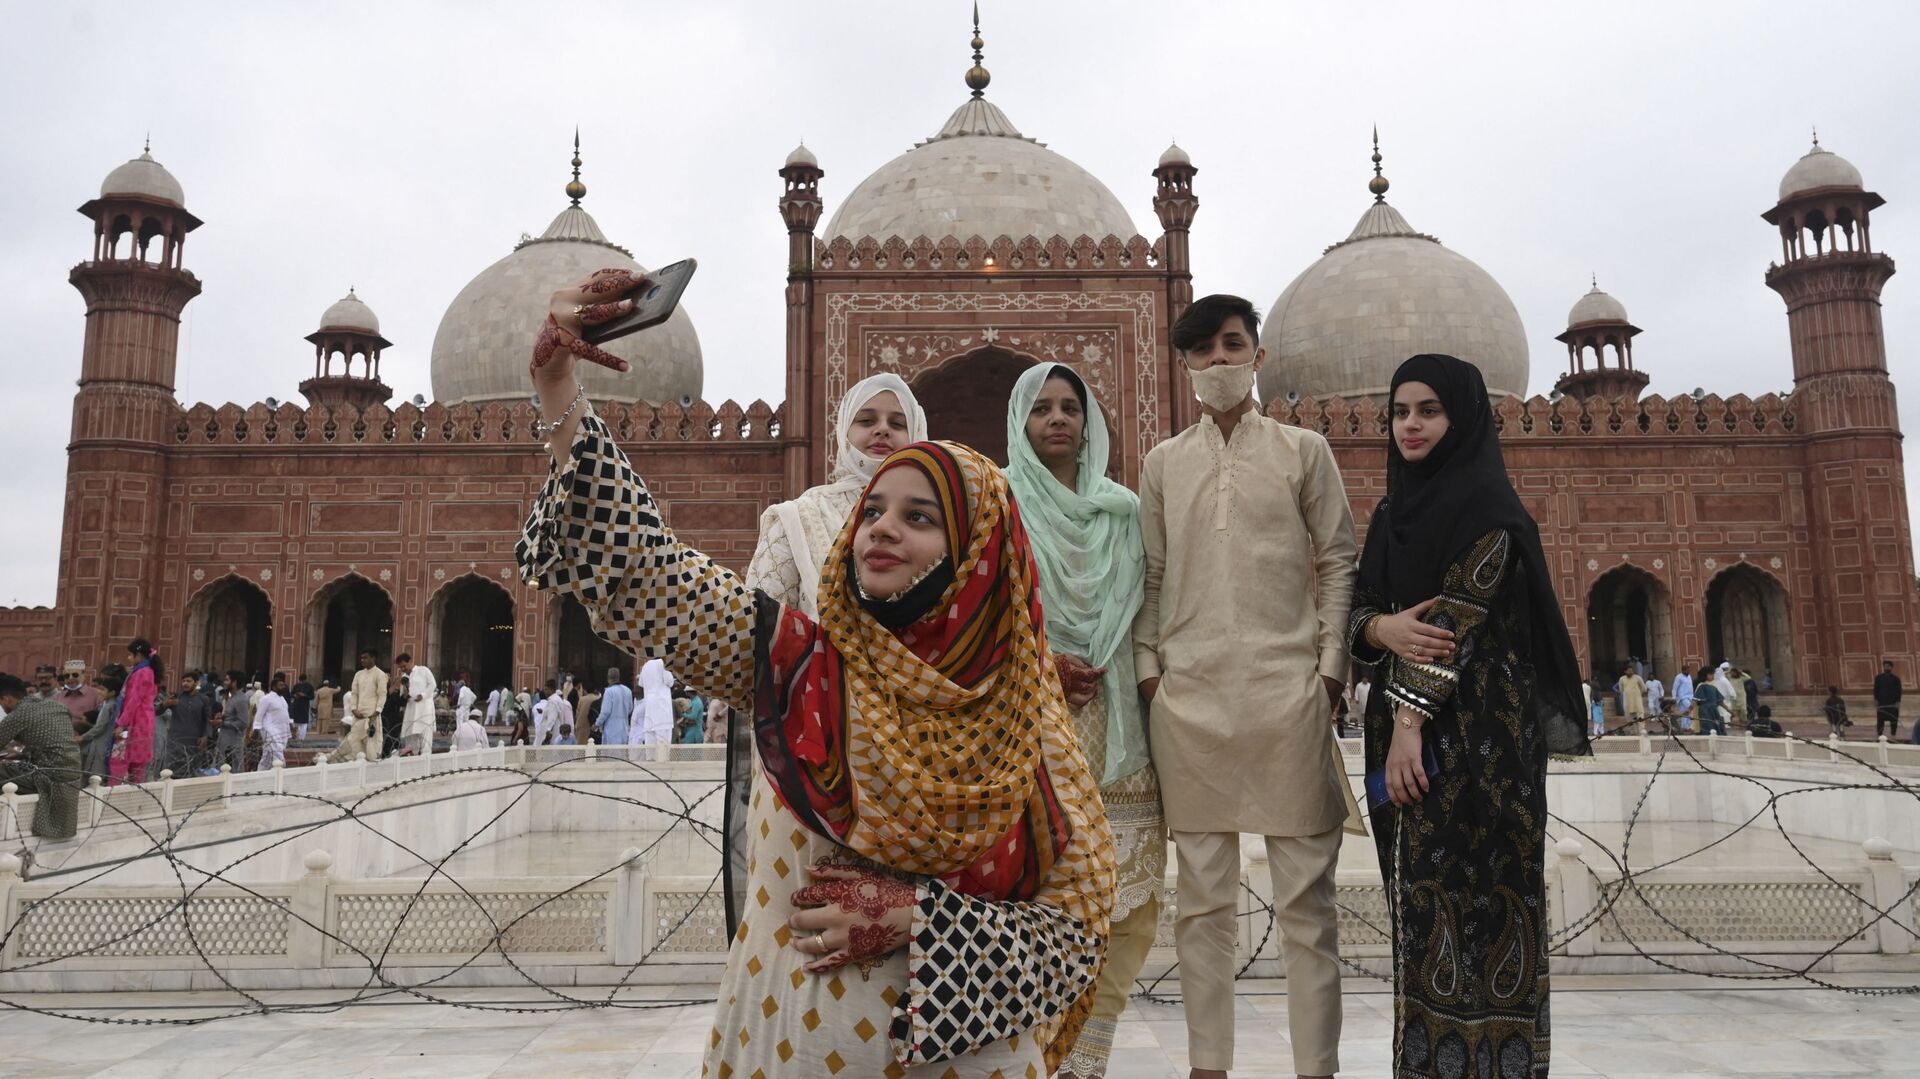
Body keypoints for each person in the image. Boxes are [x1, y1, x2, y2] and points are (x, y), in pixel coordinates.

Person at [519, 269, 1113, 1077]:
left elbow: (1075, 934)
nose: (881, 529)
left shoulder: (1020, 716)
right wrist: (558, 385)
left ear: (978, 554)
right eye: (872, 510)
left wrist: (921, 918)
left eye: (919, 515)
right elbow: (649, 575)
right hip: (793, 1039)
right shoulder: (801, 667)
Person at [1347, 354, 1591, 1079]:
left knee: (1494, 916)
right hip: (1401, 748)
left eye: (1429, 410)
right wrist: (1378, 629)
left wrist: (1411, 724)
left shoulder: (1491, 510)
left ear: (1464, 417)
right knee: (1421, 919)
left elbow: (1457, 619)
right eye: (1400, 412)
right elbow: (1359, 611)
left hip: (1481, 752)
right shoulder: (1393, 516)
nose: (1412, 425)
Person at [1131, 295, 1355, 1079]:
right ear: (1186, 365)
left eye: (1233, 346)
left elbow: (1336, 560)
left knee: (1307, 906)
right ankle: (1208, 1067)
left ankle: (1315, 1068)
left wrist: (1329, 670)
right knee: (1201, 906)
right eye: (1203, 351)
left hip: (1286, 692)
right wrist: (1150, 672)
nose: (1219, 362)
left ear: (1258, 356)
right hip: (1189, 702)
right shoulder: (1163, 463)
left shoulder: (1303, 451)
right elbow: (1151, 576)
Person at [1006, 360, 1166, 1079]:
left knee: (1127, 902)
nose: (1058, 419)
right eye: (1041, 409)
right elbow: (987, 617)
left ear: (1091, 421)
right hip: (1032, 724)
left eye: (1071, 406)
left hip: (1119, 720)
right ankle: (1036, 1045)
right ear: (1020, 422)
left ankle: (1090, 1051)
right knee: (1041, 891)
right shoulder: (999, 505)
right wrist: (1045, 664)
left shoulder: (1124, 510)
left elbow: (1147, 612)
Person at [746, 371, 928, 619]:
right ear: (844, 433)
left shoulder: (936, 515)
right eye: (866, 421)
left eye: (897, 424)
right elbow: (765, 628)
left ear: (916, 433)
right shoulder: (798, 518)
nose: (882, 429)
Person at [0, 672, 85, 839]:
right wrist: (19, 752)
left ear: (7, 699)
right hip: (74, 774)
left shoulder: (18, 715)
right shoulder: (57, 707)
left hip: (48, 776)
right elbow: (52, 742)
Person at [111, 638, 162, 785]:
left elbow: (134, 700)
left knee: (120, 763)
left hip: (135, 723)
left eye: (130, 655)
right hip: (143, 722)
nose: (128, 658)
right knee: (137, 766)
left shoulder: (143, 673)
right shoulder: (147, 671)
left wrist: (121, 723)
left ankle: (114, 797)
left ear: (138, 655)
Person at [332, 650, 389, 763]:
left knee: (371, 743)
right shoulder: (358, 674)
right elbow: (354, 694)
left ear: (373, 658)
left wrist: (377, 711)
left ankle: (371, 767)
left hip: (372, 715)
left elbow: (382, 694)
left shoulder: (380, 674)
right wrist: (354, 709)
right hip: (358, 714)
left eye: (365, 658)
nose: (362, 660)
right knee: (354, 741)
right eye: (361, 658)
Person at [77, 666, 125, 783]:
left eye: (103, 689)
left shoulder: (109, 706)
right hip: (102, 743)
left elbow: (99, 727)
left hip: (102, 743)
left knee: (97, 775)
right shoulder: (107, 704)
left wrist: (83, 737)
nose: (99, 691)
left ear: (112, 692)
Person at [167, 671, 216, 776]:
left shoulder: (204, 699)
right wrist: (165, 704)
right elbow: (156, 711)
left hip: (194, 743)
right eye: (183, 681)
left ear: (196, 682)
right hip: (176, 742)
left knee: (191, 772)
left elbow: (207, 720)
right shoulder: (176, 698)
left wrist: (205, 736)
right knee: (173, 773)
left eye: (188, 681)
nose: (185, 684)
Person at [251, 675, 292, 771]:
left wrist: (291, 725)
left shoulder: (282, 699)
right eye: (280, 685)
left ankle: (260, 773)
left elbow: (285, 714)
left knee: (267, 756)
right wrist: (256, 729)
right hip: (270, 730)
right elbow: (259, 715)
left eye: (283, 685)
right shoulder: (266, 698)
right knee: (278, 754)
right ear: (274, 687)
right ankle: (281, 773)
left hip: (282, 731)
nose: (283, 687)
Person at [211, 671, 249, 772]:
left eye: (227, 680)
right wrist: (222, 718)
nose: (225, 682)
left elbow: (244, 723)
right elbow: (232, 717)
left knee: (233, 772)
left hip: (233, 744)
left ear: (234, 682)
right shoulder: (232, 697)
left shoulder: (241, 699)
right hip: (224, 741)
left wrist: (223, 723)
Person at [636, 656, 674, 750]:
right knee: (663, 746)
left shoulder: (645, 665)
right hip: (662, 709)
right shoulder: (663, 663)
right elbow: (670, 681)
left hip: (649, 708)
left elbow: (641, 683)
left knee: (650, 745)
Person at [54, 661, 101, 730]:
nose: (70, 678)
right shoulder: (58, 697)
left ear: (83, 675)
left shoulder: (96, 694)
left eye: (75, 675)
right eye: (67, 676)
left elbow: (101, 721)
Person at [596, 665, 633, 746]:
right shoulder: (628, 691)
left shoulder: (609, 691)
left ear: (608, 679)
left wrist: (597, 723)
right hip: (624, 727)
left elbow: (605, 712)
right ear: (618, 677)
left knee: (611, 755)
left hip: (611, 728)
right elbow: (630, 709)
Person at [537, 680, 573, 747]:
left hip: (552, 733)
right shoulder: (558, 699)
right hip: (557, 730)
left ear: (552, 690)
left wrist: (548, 731)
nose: (544, 691)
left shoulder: (552, 701)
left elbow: (552, 717)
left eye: (546, 689)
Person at [1695, 666, 1728, 736]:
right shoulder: (1702, 686)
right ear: (1705, 675)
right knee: (1707, 727)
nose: (1713, 676)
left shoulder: (1713, 687)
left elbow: (1720, 701)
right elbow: (1696, 700)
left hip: (1714, 711)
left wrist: (1730, 711)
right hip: (1705, 711)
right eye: (1711, 674)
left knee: (1717, 726)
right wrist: (1689, 709)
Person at [1874, 660, 1902, 740]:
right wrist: (1876, 700)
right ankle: (1880, 734)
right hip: (1882, 702)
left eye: (1888, 666)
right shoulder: (1878, 678)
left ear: (1891, 667)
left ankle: (1893, 734)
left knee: (1893, 719)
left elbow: (1899, 691)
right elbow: (1876, 689)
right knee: (1880, 719)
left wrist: (1898, 702)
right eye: (1885, 666)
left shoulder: (1896, 679)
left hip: (1892, 703)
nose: (1886, 667)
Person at [1618, 663, 1648, 735]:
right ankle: (1633, 731)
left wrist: (1637, 693)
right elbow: (1621, 690)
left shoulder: (1638, 678)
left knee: (1640, 715)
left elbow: (1644, 689)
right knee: (1629, 717)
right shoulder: (1622, 679)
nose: (1630, 672)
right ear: (1625, 672)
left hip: (1637, 701)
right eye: (1629, 671)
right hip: (1627, 701)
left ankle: (1642, 729)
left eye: (1631, 671)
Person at [288, 673, 314, 741]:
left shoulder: (298, 686)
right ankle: (301, 738)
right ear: (306, 678)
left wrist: (303, 695)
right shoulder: (308, 686)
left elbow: (291, 694)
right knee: (302, 723)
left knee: (299, 723)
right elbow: (312, 697)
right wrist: (298, 696)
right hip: (301, 705)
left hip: (300, 705)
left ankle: (298, 737)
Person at [1671, 664, 1696, 733]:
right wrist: (1674, 697)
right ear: (1683, 670)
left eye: (1689, 670)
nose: (1688, 671)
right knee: (1689, 709)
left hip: (1690, 696)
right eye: (1687, 670)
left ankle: (1685, 727)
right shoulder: (1678, 677)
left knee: (1686, 712)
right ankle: (1687, 727)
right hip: (1682, 697)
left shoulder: (1689, 676)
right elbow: (1674, 688)